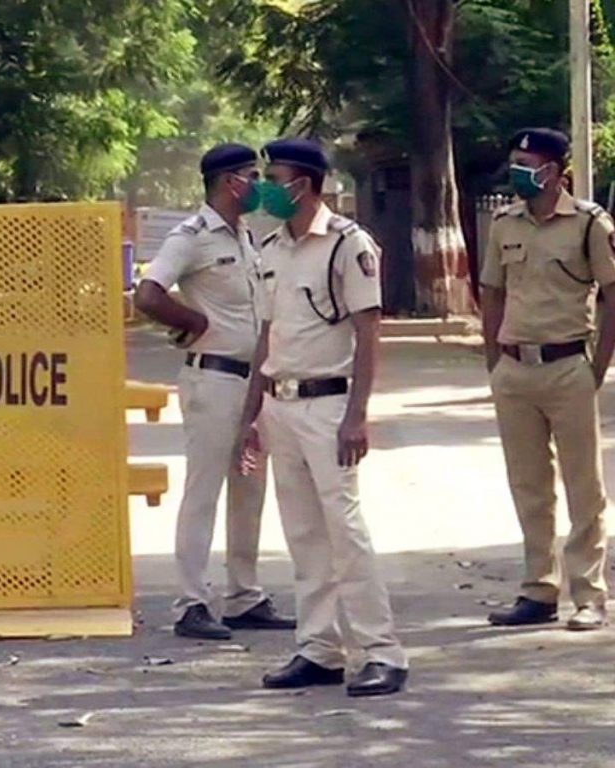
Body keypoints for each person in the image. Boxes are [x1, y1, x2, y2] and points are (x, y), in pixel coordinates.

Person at [237, 138, 407, 697]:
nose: (265, 189)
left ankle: (381, 651)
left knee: (345, 531)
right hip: (281, 404)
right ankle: (319, 648)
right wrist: (251, 414)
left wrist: (357, 415)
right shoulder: (272, 248)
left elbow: (368, 332)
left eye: (274, 179)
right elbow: (267, 335)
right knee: (303, 533)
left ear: (303, 184)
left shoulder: (346, 244)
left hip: (328, 404)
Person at [134, 143, 295, 640]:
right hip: (214, 379)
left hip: (253, 381)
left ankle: (245, 596)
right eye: (252, 176)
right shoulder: (192, 236)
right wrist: (193, 322)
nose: (260, 185)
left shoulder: (246, 236)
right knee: (203, 491)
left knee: (250, 488)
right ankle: (191, 602)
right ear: (230, 182)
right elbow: (148, 294)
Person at [480, 127, 615, 631]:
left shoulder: (589, 224)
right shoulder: (504, 223)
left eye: (527, 164)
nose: (517, 172)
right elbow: (491, 292)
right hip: (516, 369)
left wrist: (597, 367)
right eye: (514, 161)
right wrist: (494, 359)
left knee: (584, 487)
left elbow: (612, 296)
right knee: (528, 485)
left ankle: (589, 595)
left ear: (555, 171)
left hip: (567, 365)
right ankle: (538, 589)